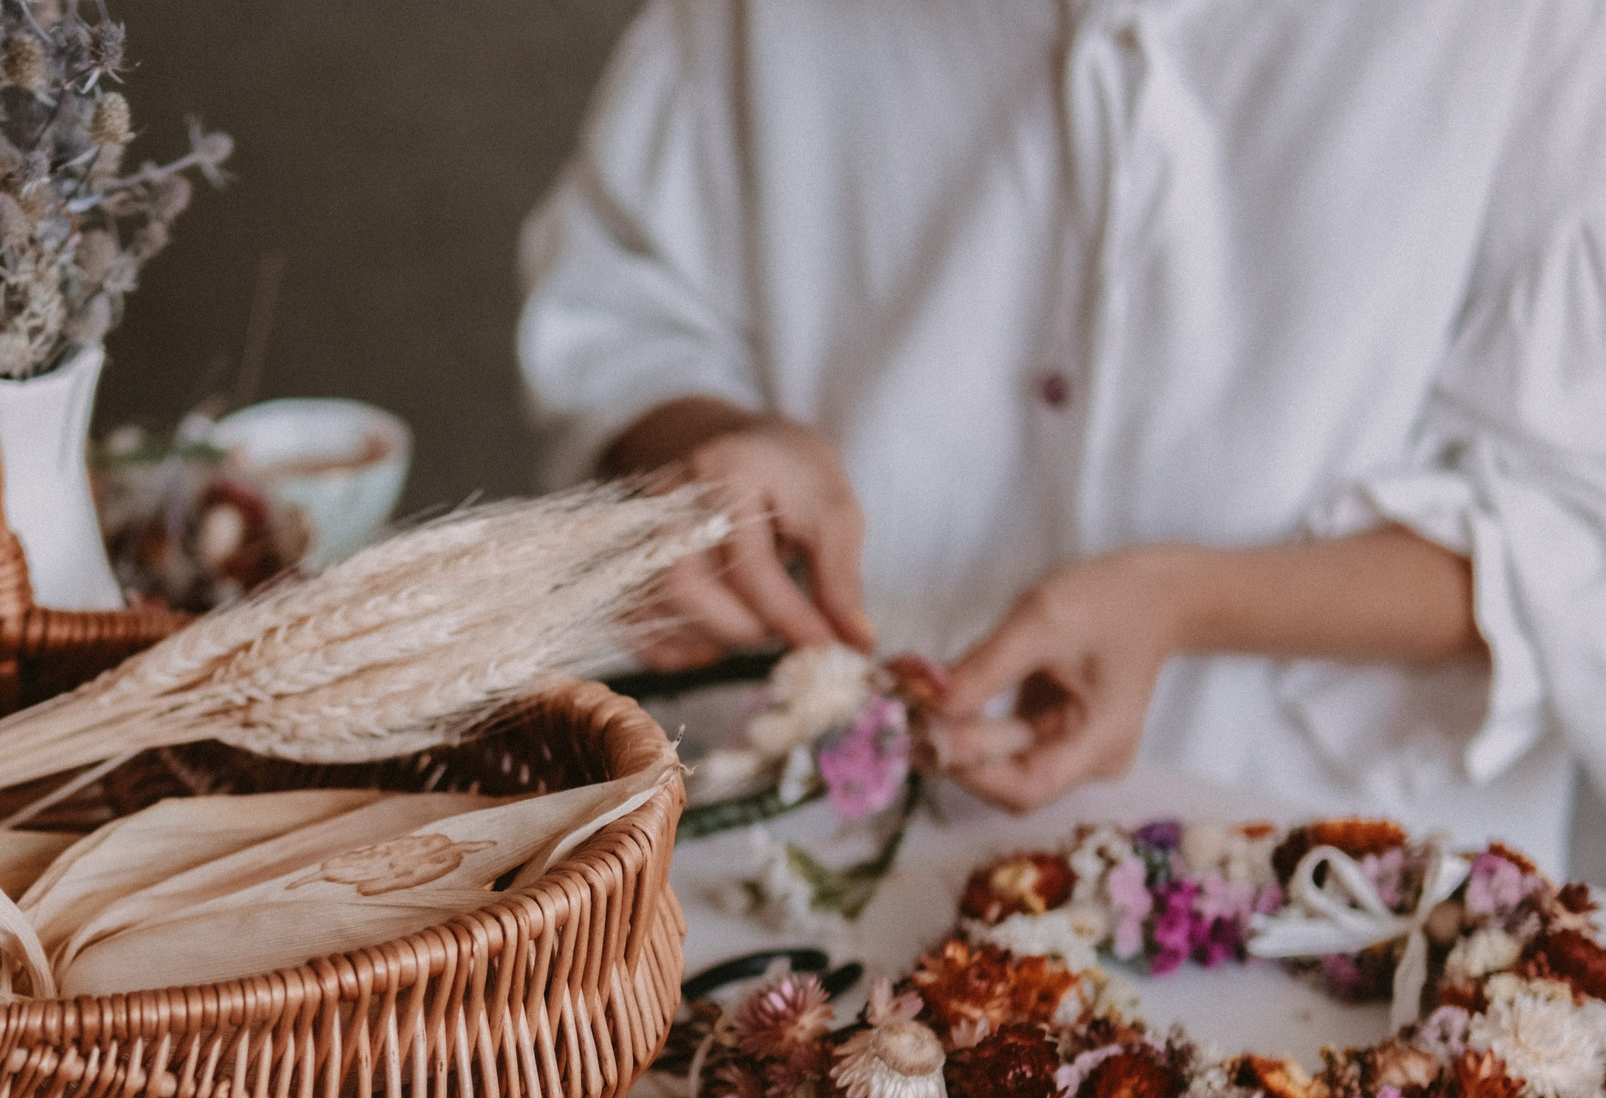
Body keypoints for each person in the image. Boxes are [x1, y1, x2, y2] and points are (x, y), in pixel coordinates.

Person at [518, 0, 1606, 865]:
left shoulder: (1531, 31)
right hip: (794, 852)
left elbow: (1568, 515)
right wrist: (707, 436)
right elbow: (627, 303)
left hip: (1341, 881)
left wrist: (1183, 600)